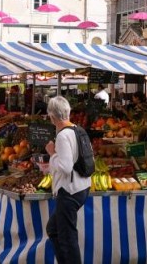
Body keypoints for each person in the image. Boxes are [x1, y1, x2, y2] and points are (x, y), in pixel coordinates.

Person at [45, 96, 91, 264]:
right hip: (82, 186)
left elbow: (65, 167)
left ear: (52, 116)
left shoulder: (63, 136)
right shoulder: (79, 129)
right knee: (53, 229)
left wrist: (52, 153)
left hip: (70, 191)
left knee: (67, 237)